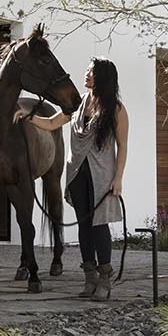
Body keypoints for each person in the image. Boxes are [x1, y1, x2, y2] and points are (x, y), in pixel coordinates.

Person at [28, 60, 127, 299]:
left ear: (102, 77)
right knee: (84, 225)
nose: (87, 74)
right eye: (87, 70)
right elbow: (53, 123)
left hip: (102, 174)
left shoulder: (116, 109)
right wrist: (28, 118)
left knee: (99, 224)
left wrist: (118, 178)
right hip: (77, 172)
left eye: (92, 72)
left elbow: (123, 146)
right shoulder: (78, 103)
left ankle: (104, 279)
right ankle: (89, 278)